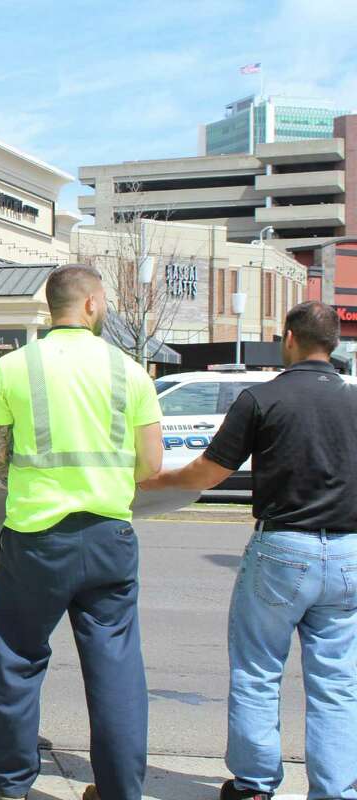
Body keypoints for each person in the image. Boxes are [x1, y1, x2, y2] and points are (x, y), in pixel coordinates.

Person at [141, 302, 357, 800]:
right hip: (346, 552)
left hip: (283, 548)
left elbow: (208, 474)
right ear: (336, 344)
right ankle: (335, 790)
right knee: (337, 681)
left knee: (259, 671)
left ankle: (256, 786)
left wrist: (153, 481)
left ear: (289, 339)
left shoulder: (260, 400)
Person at [0, 264, 164, 800]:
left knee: (18, 659)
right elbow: (151, 466)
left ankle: (13, 789)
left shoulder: (12, 368)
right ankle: (119, 792)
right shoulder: (130, 372)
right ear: (91, 304)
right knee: (116, 670)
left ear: (49, 305)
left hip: (36, 538)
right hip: (109, 536)